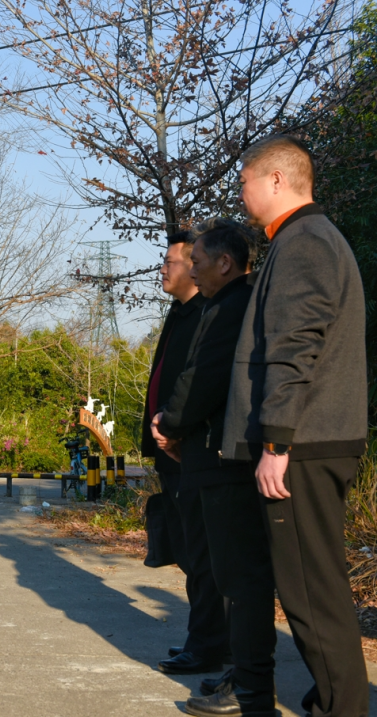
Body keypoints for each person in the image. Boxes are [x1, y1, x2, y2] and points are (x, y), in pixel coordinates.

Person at [222, 135, 368, 717]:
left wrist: (276, 442)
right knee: (315, 586)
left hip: (302, 444)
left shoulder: (304, 242)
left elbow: (293, 348)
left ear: (277, 180)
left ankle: (341, 708)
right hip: (311, 439)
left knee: (311, 591)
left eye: (244, 182)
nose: (241, 193)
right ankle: (333, 700)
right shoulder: (307, 238)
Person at [152, 219, 277, 717]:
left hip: (221, 457)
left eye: (194, 262)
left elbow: (201, 377)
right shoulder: (213, 305)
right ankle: (237, 672)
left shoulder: (229, 306)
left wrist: (172, 423)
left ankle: (245, 683)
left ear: (223, 263)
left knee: (233, 574)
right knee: (216, 567)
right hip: (204, 452)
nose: (189, 270)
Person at [141, 231, 228, 675]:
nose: (163, 269)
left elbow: (199, 384)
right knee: (190, 550)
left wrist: (176, 430)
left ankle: (209, 645)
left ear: (195, 268)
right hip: (170, 450)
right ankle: (206, 640)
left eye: (170, 262)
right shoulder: (179, 314)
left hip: (189, 449)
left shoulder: (206, 315)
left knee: (202, 553)